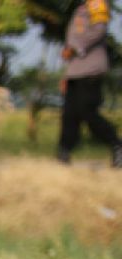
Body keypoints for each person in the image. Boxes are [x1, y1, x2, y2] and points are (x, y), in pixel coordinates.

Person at [58, 0, 121, 168]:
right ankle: (63, 152)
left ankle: (117, 145)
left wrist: (74, 47)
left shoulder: (97, 3)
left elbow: (99, 31)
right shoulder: (80, 8)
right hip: (75, 71)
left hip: (91, 70)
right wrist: (66, 75)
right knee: (69, 114)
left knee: (87, 111)